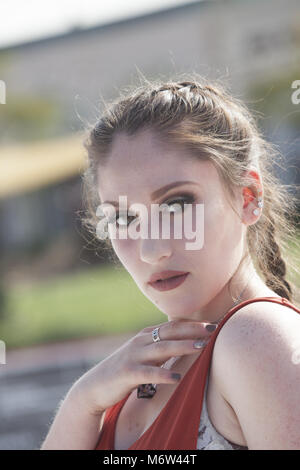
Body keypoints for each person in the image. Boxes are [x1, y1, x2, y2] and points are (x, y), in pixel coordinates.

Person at [41, 73, 300, 450]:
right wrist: (82, 402)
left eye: (176, 204)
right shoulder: (128, 377)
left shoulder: (256, 338)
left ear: (247, 197)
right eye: (124, 218)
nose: (151, 249)